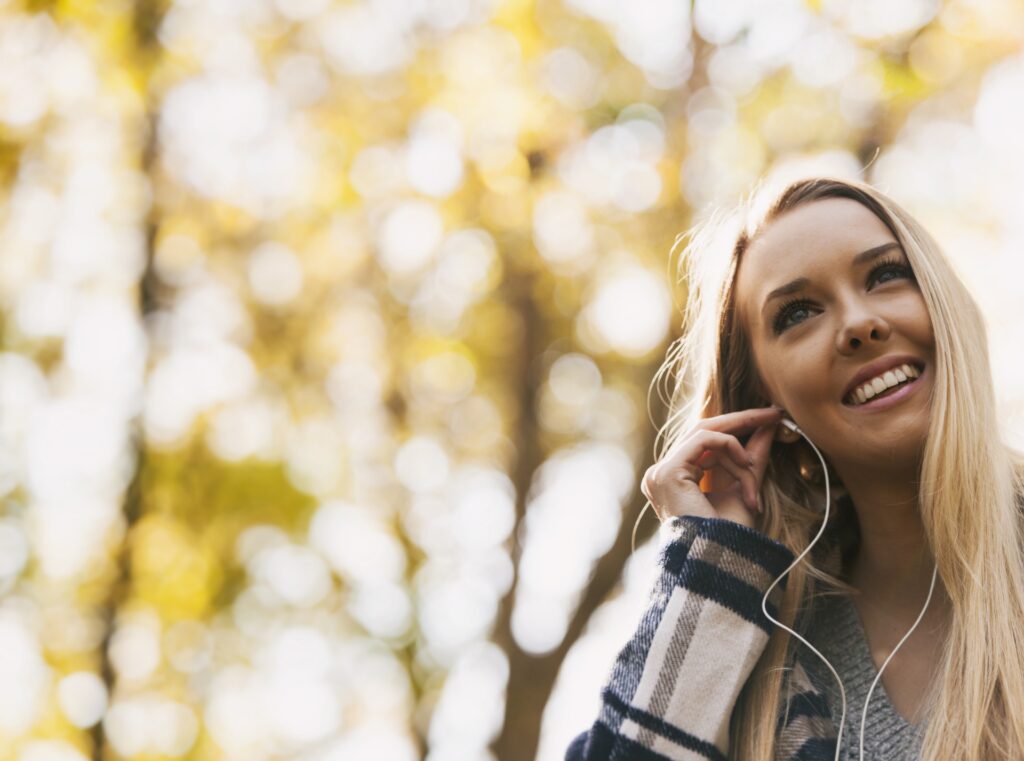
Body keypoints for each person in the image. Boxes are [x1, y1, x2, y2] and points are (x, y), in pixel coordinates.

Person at [565, 177, 1024, 760]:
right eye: (799, 313)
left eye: (885, 275)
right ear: (764, 403)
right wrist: (712, 568)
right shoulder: (750, 645)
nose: (860, 323)